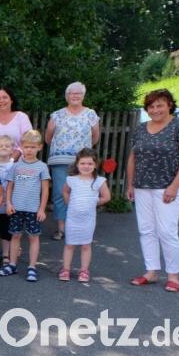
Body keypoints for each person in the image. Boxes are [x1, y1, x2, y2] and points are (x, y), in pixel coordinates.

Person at [127, 89, 179, 293]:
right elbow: (133, 157)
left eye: (159, 105)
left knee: (166, 231)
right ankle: (151, 271)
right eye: (151, 106)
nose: (155, 109)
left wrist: (174, 186)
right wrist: (130, 184)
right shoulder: (140, 129)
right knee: (146, 230)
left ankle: (173, 275)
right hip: (142, 186)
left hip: (168, 187)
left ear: (169, 105)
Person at [45, 82, 100, 241]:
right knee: (60, 194)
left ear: (83, 95)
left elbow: (95, 136)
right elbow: (49, 137)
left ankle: (80, 227)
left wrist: (84, 152)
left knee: (82, 194)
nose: (75, 96)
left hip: (83, 162)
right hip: (60, 160)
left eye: (78, 93)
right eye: (71, 93)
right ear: (66, 96)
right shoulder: (57, 115)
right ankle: (62, 229)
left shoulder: (90, 114)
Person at [0, 130, 50, 282]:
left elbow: (45, 190)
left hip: (33, 210)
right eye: (26, 147)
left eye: (33, 147)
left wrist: (41, 209)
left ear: (39, 147)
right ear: (21, 147)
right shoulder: (15, 166)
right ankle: (12, 264)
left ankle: (32, 267)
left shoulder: (42, 167)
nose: (29, 150)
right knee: (15, 235)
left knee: (34, 237)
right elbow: (9, 187)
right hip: (16, 209)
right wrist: (8, 203)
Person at [59, 149, 111, 282]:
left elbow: (106, 197)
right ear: (77, 164)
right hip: (72, 218)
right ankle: (66, 269)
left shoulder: (99, 181)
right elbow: (64, 191)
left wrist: (94, 201)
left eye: (89, 163)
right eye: (83, 163)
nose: (86, 166)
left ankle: (84, 270)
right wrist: (69, 202)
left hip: (88, 220)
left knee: (86, 245)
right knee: (69, 244)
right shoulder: (71, 180)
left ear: (95, 165)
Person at [0, 135, 16, 266]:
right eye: (1, 145)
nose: (4, 148)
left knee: (6, 230)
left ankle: (6, 254)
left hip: (8, 203)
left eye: (7, 146)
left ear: (12, 149)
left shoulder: (14, 165)